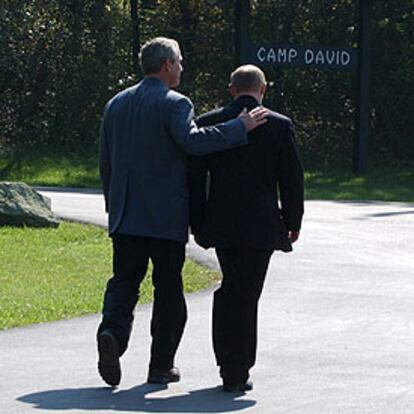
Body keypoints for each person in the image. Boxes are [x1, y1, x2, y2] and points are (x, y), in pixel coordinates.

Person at [97, 38, 268, 387]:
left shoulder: (116, 103)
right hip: (164, 216)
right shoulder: (175, 103)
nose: (181, 67)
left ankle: (112, 333)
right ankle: (160, 366)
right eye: (179, 61)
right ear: (166, 65)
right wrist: (240, 127)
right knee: (168, 289)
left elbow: (106, 162)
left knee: (124, 281)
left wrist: (113, 206)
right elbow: (193, 143)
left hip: (126, 214)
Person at [189, 64, 304, 392]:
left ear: (231, 90)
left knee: (233, 288)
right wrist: (292, 222)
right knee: (246, 293)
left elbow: (196, 181)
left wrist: (197, 221)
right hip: (261, 226)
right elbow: (291, 181)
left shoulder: (209, 123)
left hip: (222, 224)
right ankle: (237, 369)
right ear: (263, 89)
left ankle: (228, 362)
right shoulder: (279, 126)